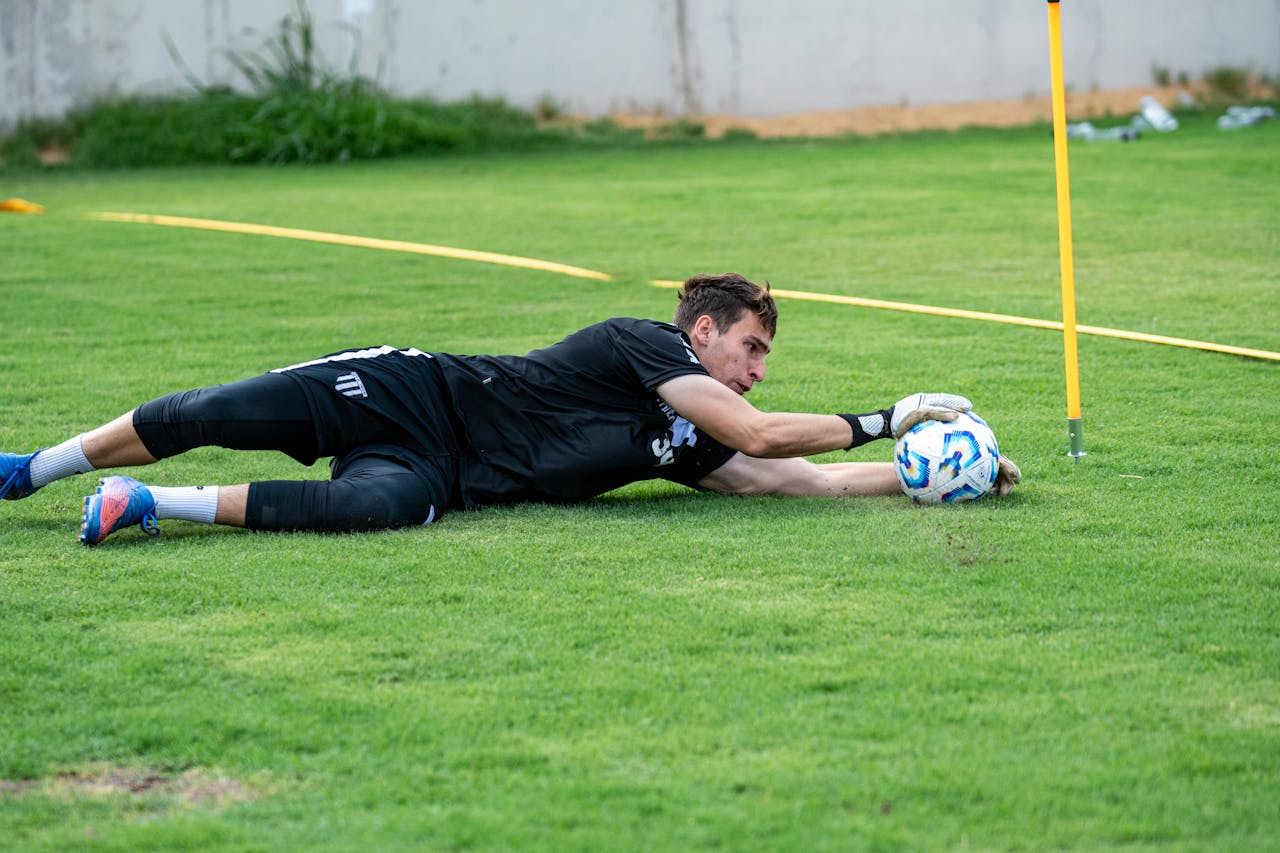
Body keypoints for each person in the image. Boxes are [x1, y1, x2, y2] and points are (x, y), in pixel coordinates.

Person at [1, 273, 1019, 545]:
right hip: (411, 387)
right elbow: (756, 432)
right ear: (699, 333)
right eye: (750, 347)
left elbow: (779, 472)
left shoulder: (681, 443)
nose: (756, 370)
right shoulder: (643, 344)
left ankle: (146, 504)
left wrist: (936, 474)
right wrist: (890, 415)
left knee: (373, 512)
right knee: (220, 405)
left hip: (442, 474)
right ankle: (32, 468)